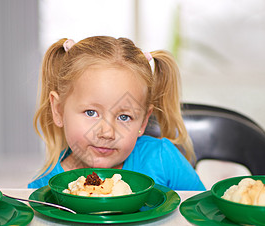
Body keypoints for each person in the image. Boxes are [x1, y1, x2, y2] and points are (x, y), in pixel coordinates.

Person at [28, 36, 204, 191]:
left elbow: (203, 210)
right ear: (58, 110)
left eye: (124, 117)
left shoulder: (163, 159)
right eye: (91, 113)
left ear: (143, 122)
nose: (107, 133)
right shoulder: (45, 187)